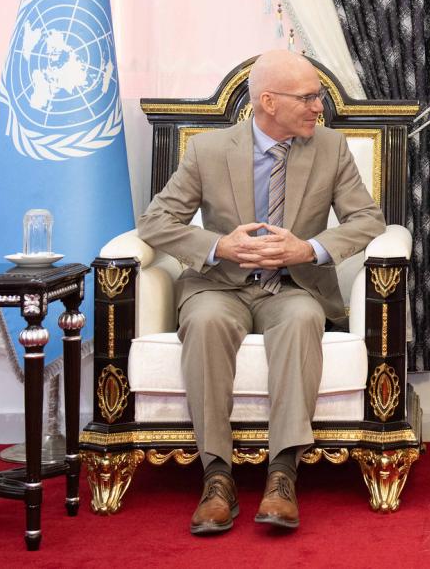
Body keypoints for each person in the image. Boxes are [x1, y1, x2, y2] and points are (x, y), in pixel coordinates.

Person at [138, 50, 386, 536]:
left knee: (302, 319)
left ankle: (283, 474)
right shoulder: (208, 151)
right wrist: (217, 246)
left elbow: (367, 220)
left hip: (293, 287)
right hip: (219, 286)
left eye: (319, 96)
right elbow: (155, 222)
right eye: (308, 97)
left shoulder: (331, 148)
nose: (319, 107)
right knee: (205, 321)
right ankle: (217, 477)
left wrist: (308, 249)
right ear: (268, 102)